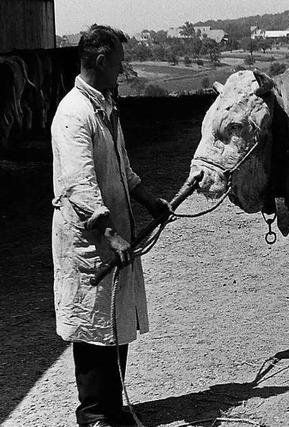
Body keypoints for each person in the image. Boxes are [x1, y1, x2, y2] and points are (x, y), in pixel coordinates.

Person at [50, 25, 170, 427]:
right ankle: (95, 415)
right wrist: (110, 232)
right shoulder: (73, 114)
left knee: (113, 321)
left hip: (110, 235)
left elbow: (123, 169)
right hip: (88, 238)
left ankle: (112, 406)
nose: (121, 72)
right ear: (101, 62)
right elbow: (78, 185)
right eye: (118, 64)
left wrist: (149, 199)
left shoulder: (106, 107)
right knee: (91, 326)